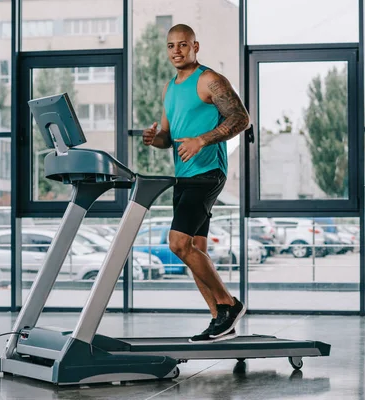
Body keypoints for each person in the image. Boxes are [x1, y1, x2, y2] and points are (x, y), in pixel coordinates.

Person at [142, 24, 251, 343]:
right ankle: (220, 319)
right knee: (195, 249)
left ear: (195, 47)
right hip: (184, 176)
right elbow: (168, 137)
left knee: (177, 243)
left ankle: (229, 306)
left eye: (183, 45)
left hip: (208, 172)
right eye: (171, 46)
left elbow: (241, 119)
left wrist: (203, 140)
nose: (176, 50)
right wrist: (155, 138)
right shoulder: (169, 88)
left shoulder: (209, 80)